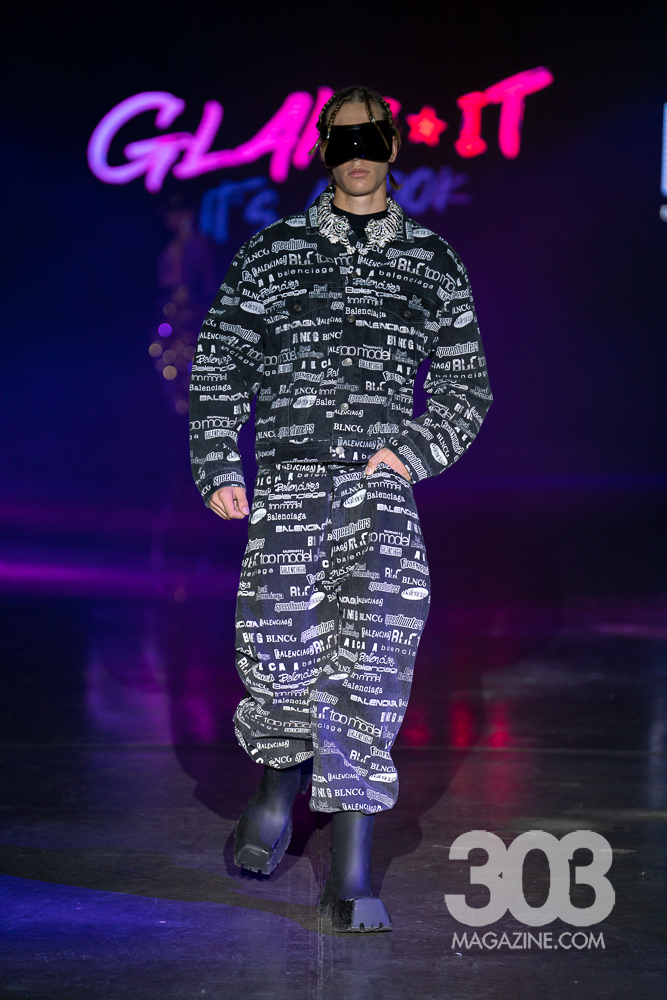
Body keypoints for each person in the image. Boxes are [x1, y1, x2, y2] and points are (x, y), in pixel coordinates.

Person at [189, 85, 492, 932]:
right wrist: (217, 460)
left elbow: (465, 383)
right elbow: (220, 362)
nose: (357, 154)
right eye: (341, 140)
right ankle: (278, 780)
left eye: (371, 139)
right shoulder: (273, 251)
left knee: (373, 660)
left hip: (375, 489)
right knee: (278, 650)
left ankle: (352, 869)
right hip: (287, 481)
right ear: (323, 148)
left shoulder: (430, 260)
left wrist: (413, 454)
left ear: (392, 146)